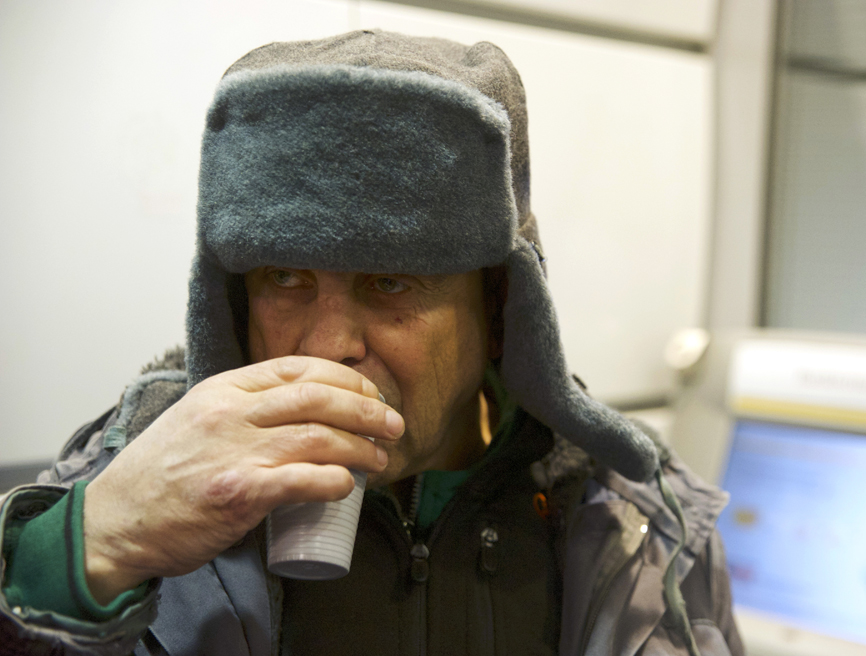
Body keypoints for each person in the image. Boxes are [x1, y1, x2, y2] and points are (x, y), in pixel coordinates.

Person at [0, 30, 743, 655]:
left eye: (391, 284)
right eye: (284, 277)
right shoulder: (133, 482)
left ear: (498, 304)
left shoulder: (639, 529)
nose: (327, 348)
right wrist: (87, 547)